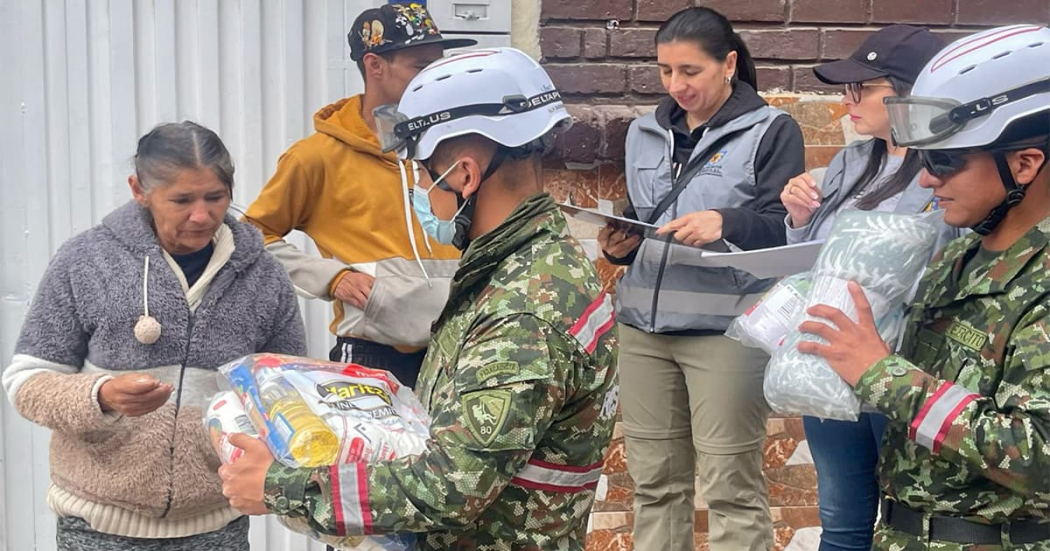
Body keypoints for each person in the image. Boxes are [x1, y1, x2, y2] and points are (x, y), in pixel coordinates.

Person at [219, 48, 619, 551]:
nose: (421, 191)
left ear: (465, 176)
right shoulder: (527, 266)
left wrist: (279, 486)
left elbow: (451, 485)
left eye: (424, 176)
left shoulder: (523, 308)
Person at [798, 25, 1050, 550]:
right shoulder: (957, 260)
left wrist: (879, 373)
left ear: (1024, 164)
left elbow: (1038, 456)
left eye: (943, 160)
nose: (927, 179)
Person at [1, 121, 307, 550]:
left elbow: (288, 390)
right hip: (97, 524)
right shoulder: (85, 261)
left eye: (215, 197)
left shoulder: (265, 277)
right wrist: (101, 396)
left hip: (218, 524)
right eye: (181, 200)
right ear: (138, 189)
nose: (201, 215)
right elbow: (26, 381)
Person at [597, 7, 805, 550]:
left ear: (728, 63)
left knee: (731, 491)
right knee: (654, 487)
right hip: (643, 330)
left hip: (725, 334)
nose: (675, 84)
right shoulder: (644, 132)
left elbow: (788, 230)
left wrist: (726, 222)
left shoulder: (771, 130)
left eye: (690, 71)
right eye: (665, 71)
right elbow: (646, 214)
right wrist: (621, 244)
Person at [778, 25, 949, 550]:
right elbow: (816, 260)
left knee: (907, 521)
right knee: (842, 524)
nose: (846, 100)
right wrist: (797, 217)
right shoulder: (850, 163)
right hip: (827, 361)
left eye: (861, 89)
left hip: (903, 365)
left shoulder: (950, 166)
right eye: (845, 89)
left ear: (907, 92)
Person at [243, 3, 475, 389]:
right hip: (371, 353)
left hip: (460, 350)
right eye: (420, 67)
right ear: (375, 65)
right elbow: (251, 237)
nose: (434, 78)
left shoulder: (453, 148)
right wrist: (331, 277)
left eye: (438, 65)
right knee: (376, 453)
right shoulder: (317, 157)